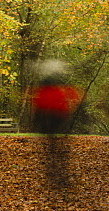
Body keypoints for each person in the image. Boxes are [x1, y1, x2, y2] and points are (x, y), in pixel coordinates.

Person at [30, 60, 82, 192]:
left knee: (50, 137)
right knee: (52, 138)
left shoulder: (47, 90)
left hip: (51, 114)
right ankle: (56, 156)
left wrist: (36, 120)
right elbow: (71, 100)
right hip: (57, 114)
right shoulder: (59, 89)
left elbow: (38, 105)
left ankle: (53, 156)